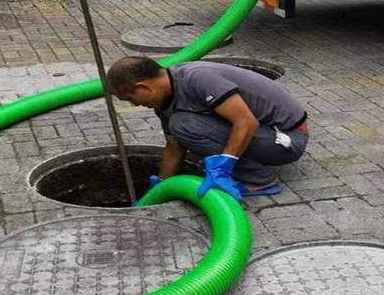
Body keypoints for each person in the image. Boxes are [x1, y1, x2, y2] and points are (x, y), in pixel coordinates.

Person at [106, 56, 309, 200]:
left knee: (184, 126)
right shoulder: (165, 99)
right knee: (182, 128)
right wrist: (161, 185)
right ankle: (234, 169)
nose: (135, 105)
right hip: (263, 133)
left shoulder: (197, 78)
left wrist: (222, 167)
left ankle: (259, 180)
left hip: (288, 139)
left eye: (131, 99)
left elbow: (246, 122)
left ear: (144, 87)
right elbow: (174, 146)